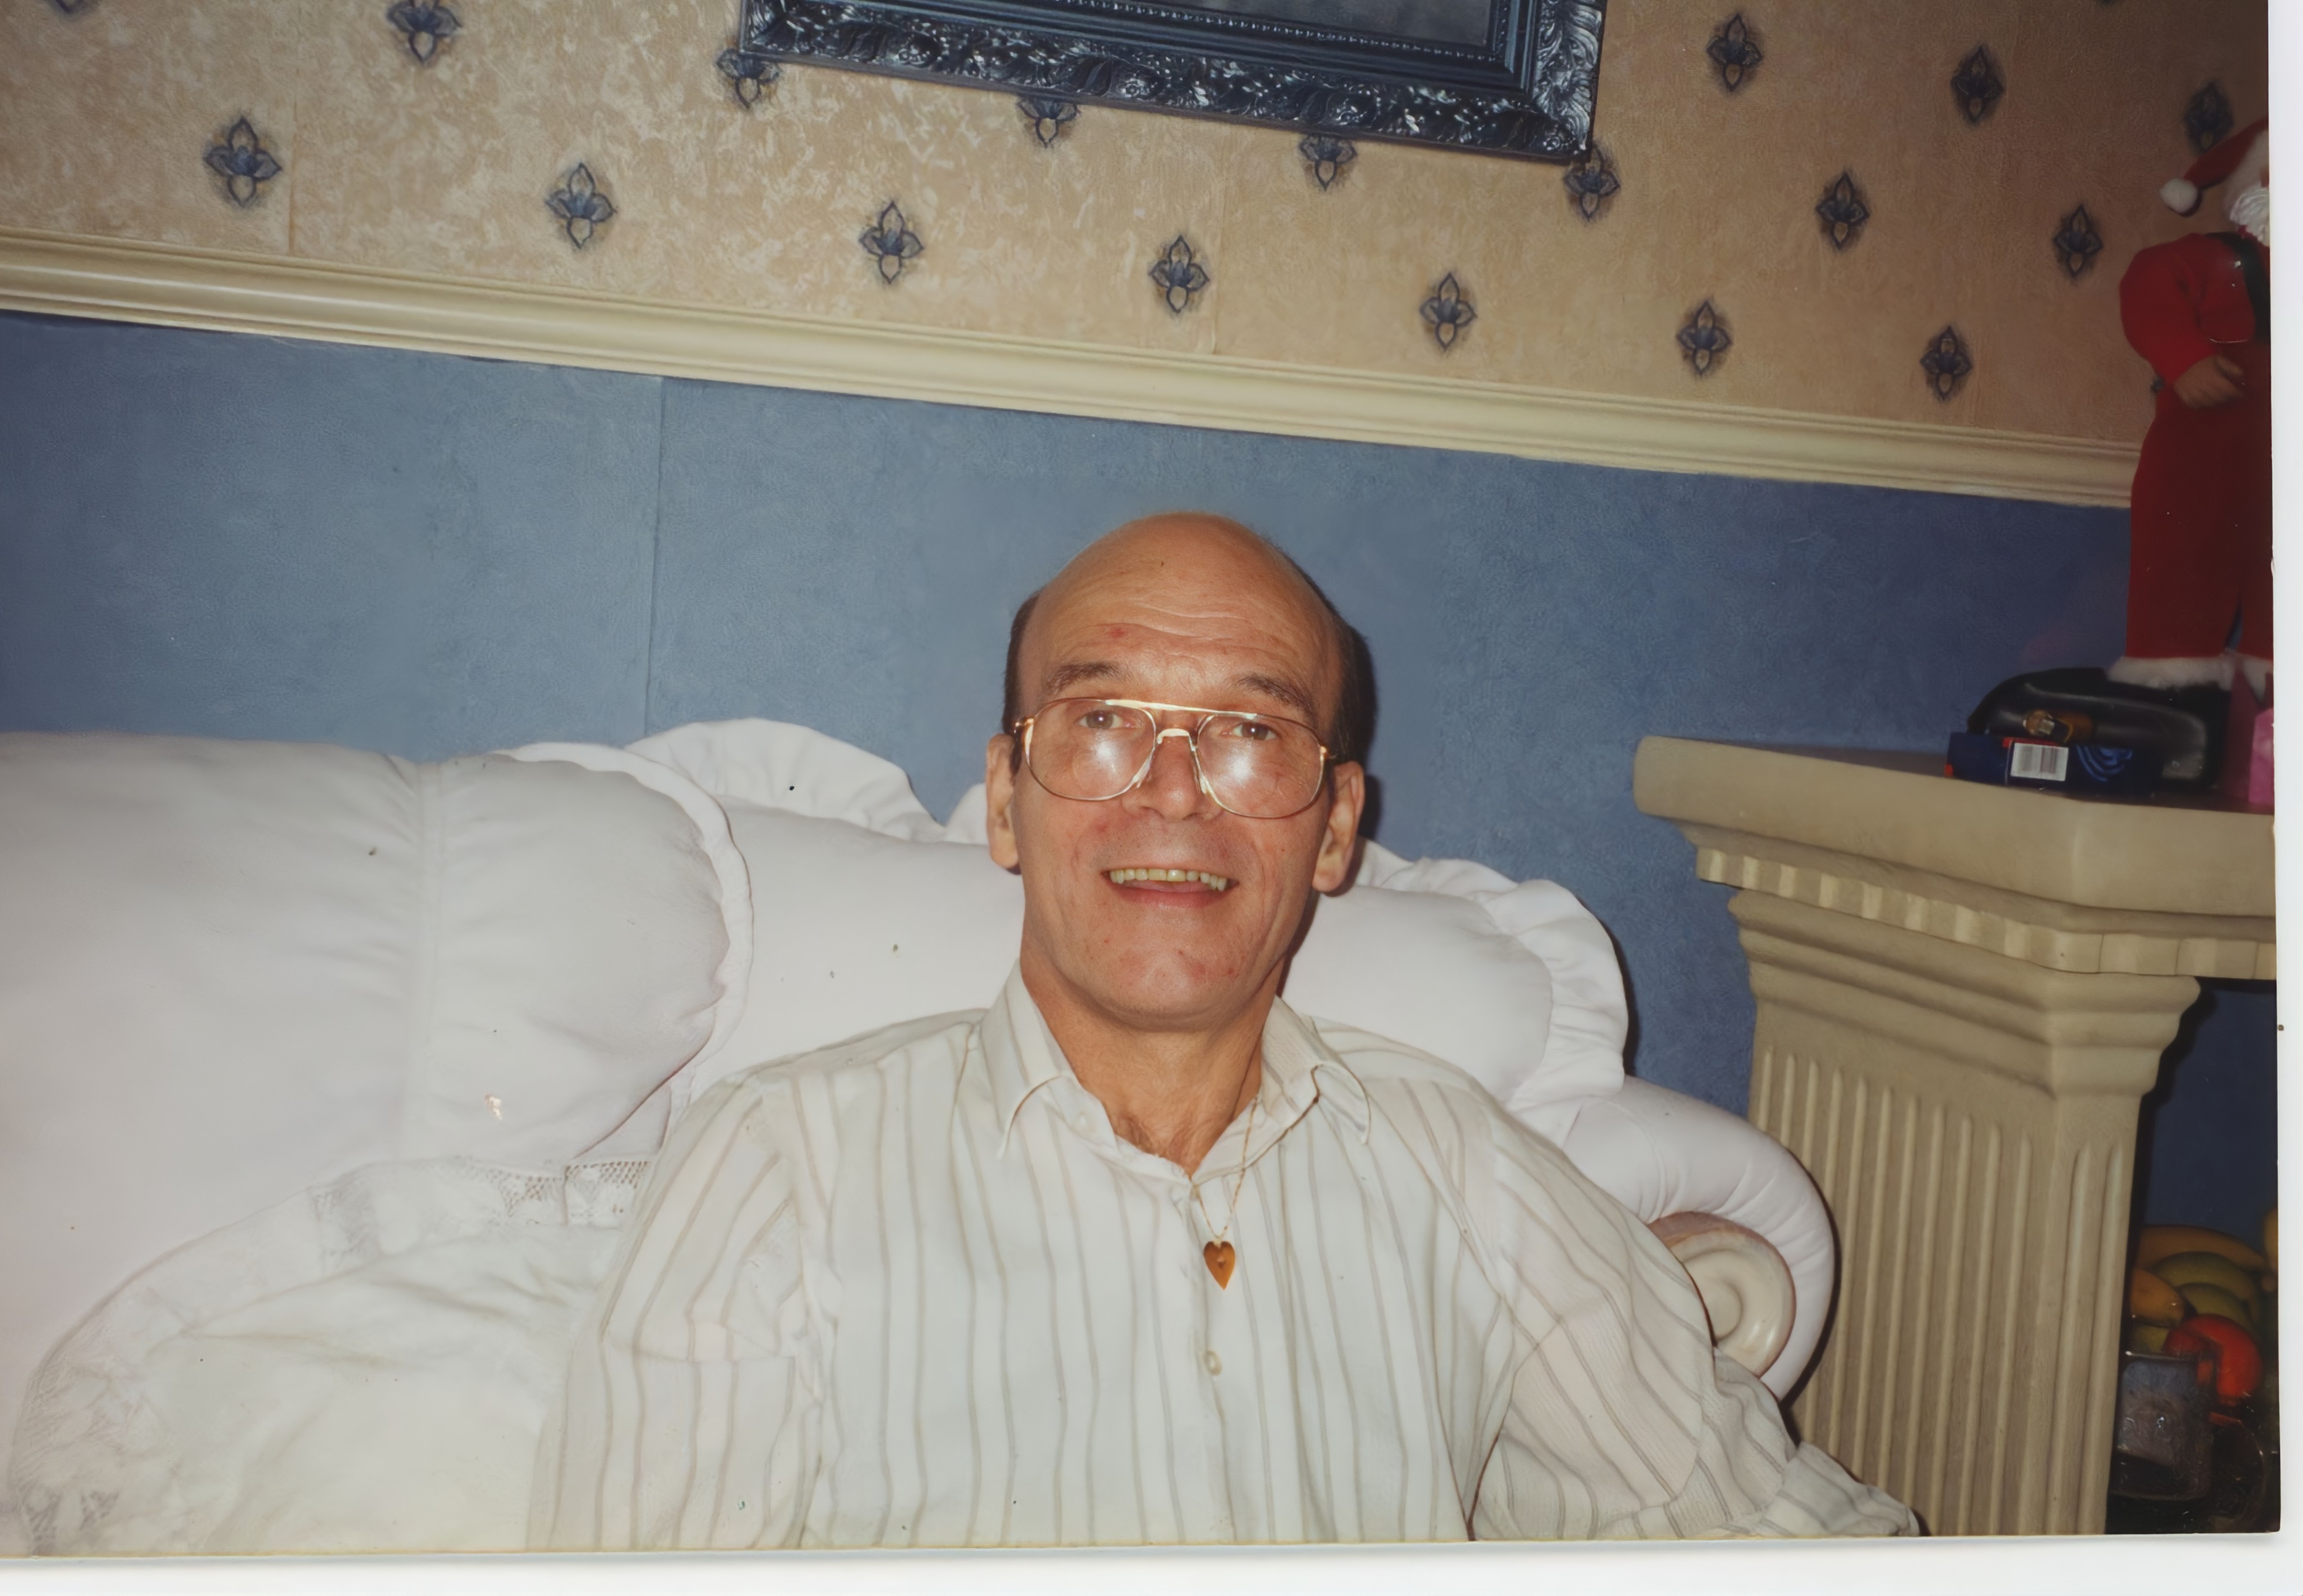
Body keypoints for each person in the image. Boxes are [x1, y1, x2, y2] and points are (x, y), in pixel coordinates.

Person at [533, 513, 1912, 1546]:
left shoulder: (1466, 1174)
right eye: (1103, 719)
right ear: (1006, 799)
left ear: (1335, 826)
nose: (1175, 791)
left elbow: (1775, 1530)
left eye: (1250, 731)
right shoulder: (777, 1167)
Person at [2115, 118, 2271, 698]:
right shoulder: (2220, 258)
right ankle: (2170, 682)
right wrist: (2184, 359)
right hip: (2208, 443)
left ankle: (2275, 674)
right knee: (2185, 551)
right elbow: (2149, 281)